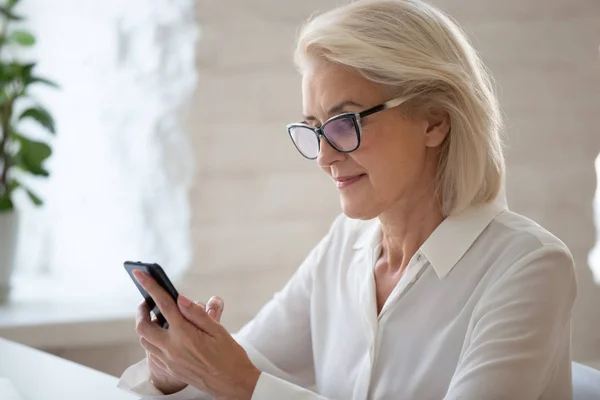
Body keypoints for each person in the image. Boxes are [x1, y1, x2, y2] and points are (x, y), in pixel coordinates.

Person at [118, 0, 577, 399]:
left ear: (435, 121)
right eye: (315, 128)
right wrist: (171, 371)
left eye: (345, 122)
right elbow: (235, 369)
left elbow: (240, 382)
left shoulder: (528, 268)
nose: (324, 156)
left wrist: (242, 384)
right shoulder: (348, 244)